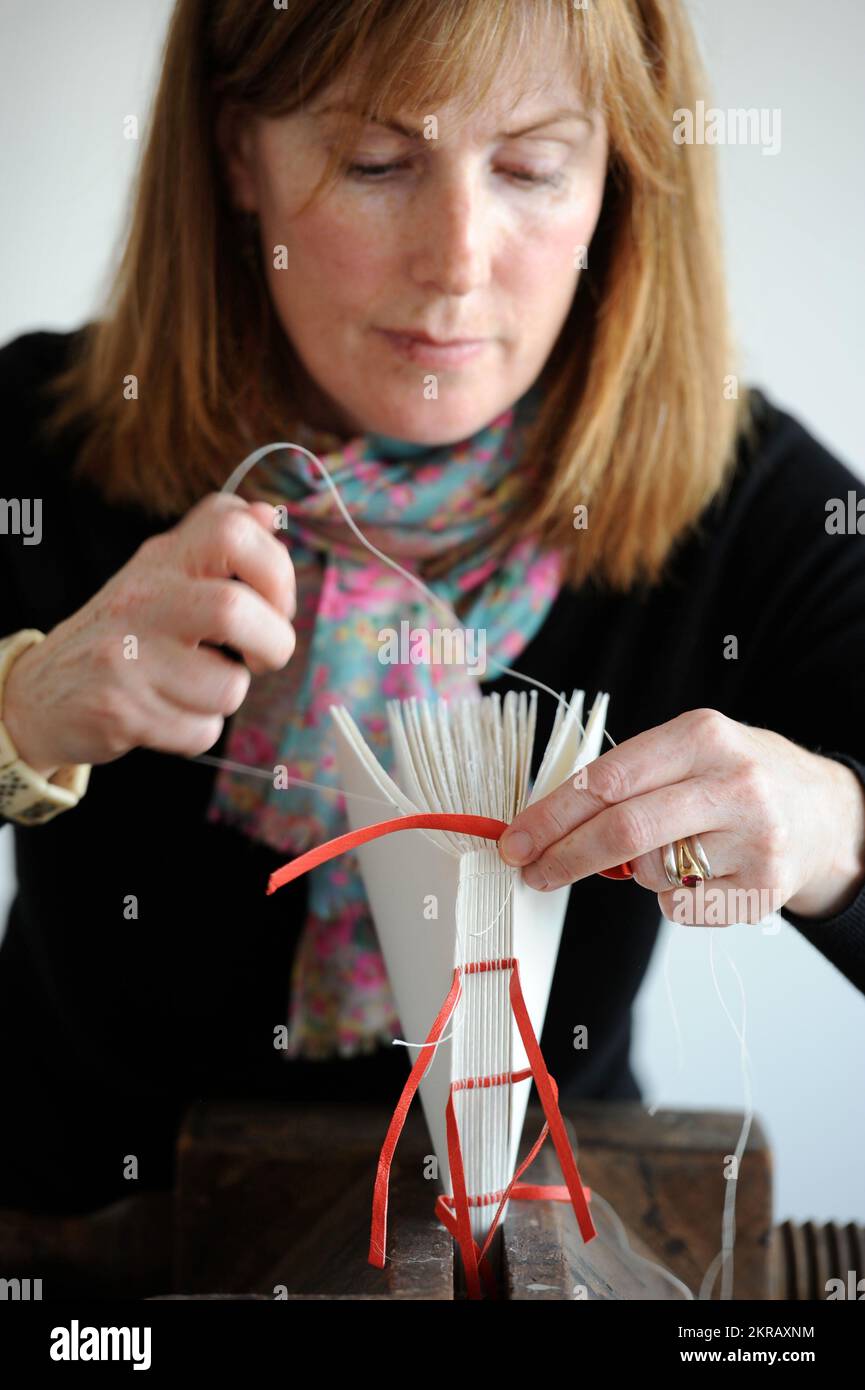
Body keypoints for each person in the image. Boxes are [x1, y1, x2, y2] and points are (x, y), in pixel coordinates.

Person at [0, 0, 863, 1219]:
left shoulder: (742, 498)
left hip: (552, 1244)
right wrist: (22, 711)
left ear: (615, 178)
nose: (456, 261)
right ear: (239, 152)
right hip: (81, 1234)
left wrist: (833, 827)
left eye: (531, 167)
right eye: (376, 163)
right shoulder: (40, 435)